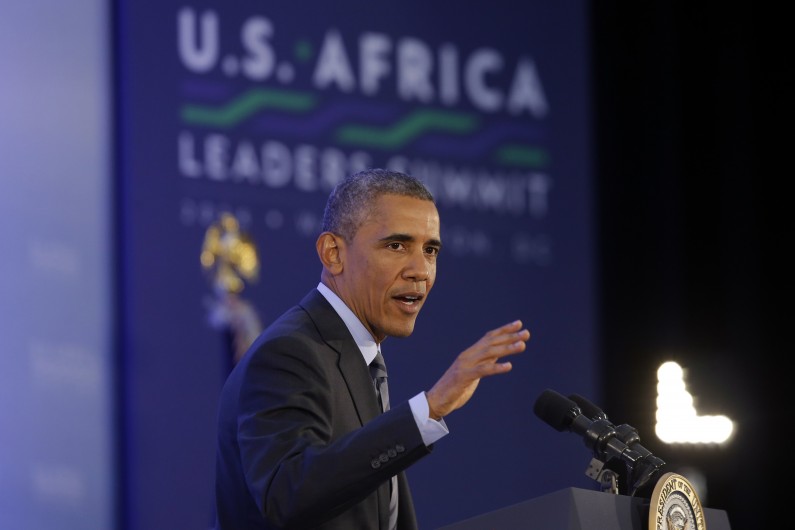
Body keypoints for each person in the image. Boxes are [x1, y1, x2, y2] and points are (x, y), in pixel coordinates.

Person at [213, 168, 531, 529]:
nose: (420, 270)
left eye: (430, 250)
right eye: (396, 245)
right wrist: (429, 408)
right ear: (333, 253)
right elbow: (287, 494)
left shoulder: (358, 357)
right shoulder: (290, 353)